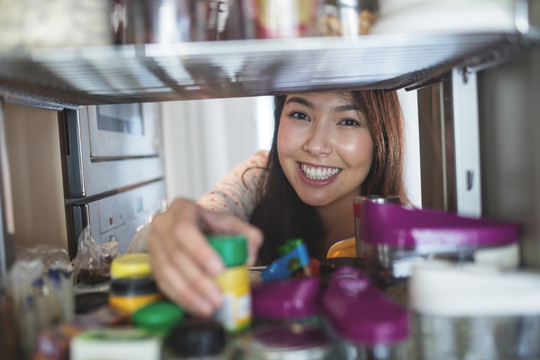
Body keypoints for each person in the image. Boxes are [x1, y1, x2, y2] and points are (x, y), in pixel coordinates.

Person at [146, 90, 407, 316]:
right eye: (300, 115)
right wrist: (183, 230)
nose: (316, 146)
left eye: (348, 121)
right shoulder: (259, 175)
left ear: (381, 137)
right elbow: (215, 210)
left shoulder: (410, 239)